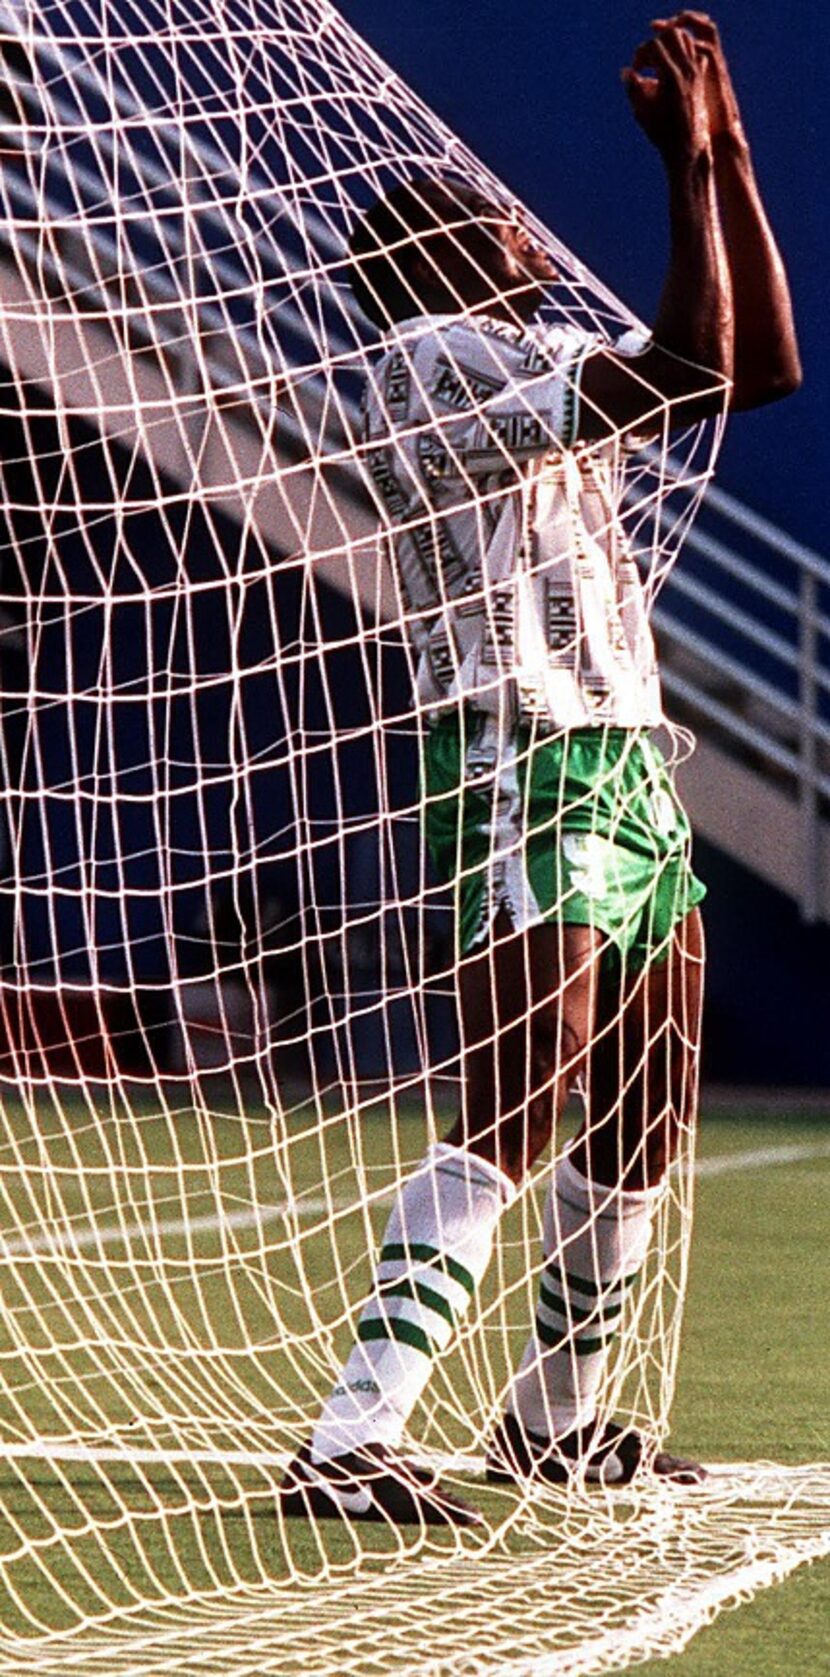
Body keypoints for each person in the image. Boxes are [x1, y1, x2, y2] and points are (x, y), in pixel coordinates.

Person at [282, 12, 800, 1526]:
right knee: (523, 1092)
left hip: (625, 761)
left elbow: (750, 367)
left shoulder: (533, 353)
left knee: (647, 1094)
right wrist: (678, 179)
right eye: (487, 217)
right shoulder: (430, 366)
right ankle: (349, 1435)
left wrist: (728, 158)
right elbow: (691, 365)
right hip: (520, 755)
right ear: (437, 264)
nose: (519, 221)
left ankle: (553, 1422)